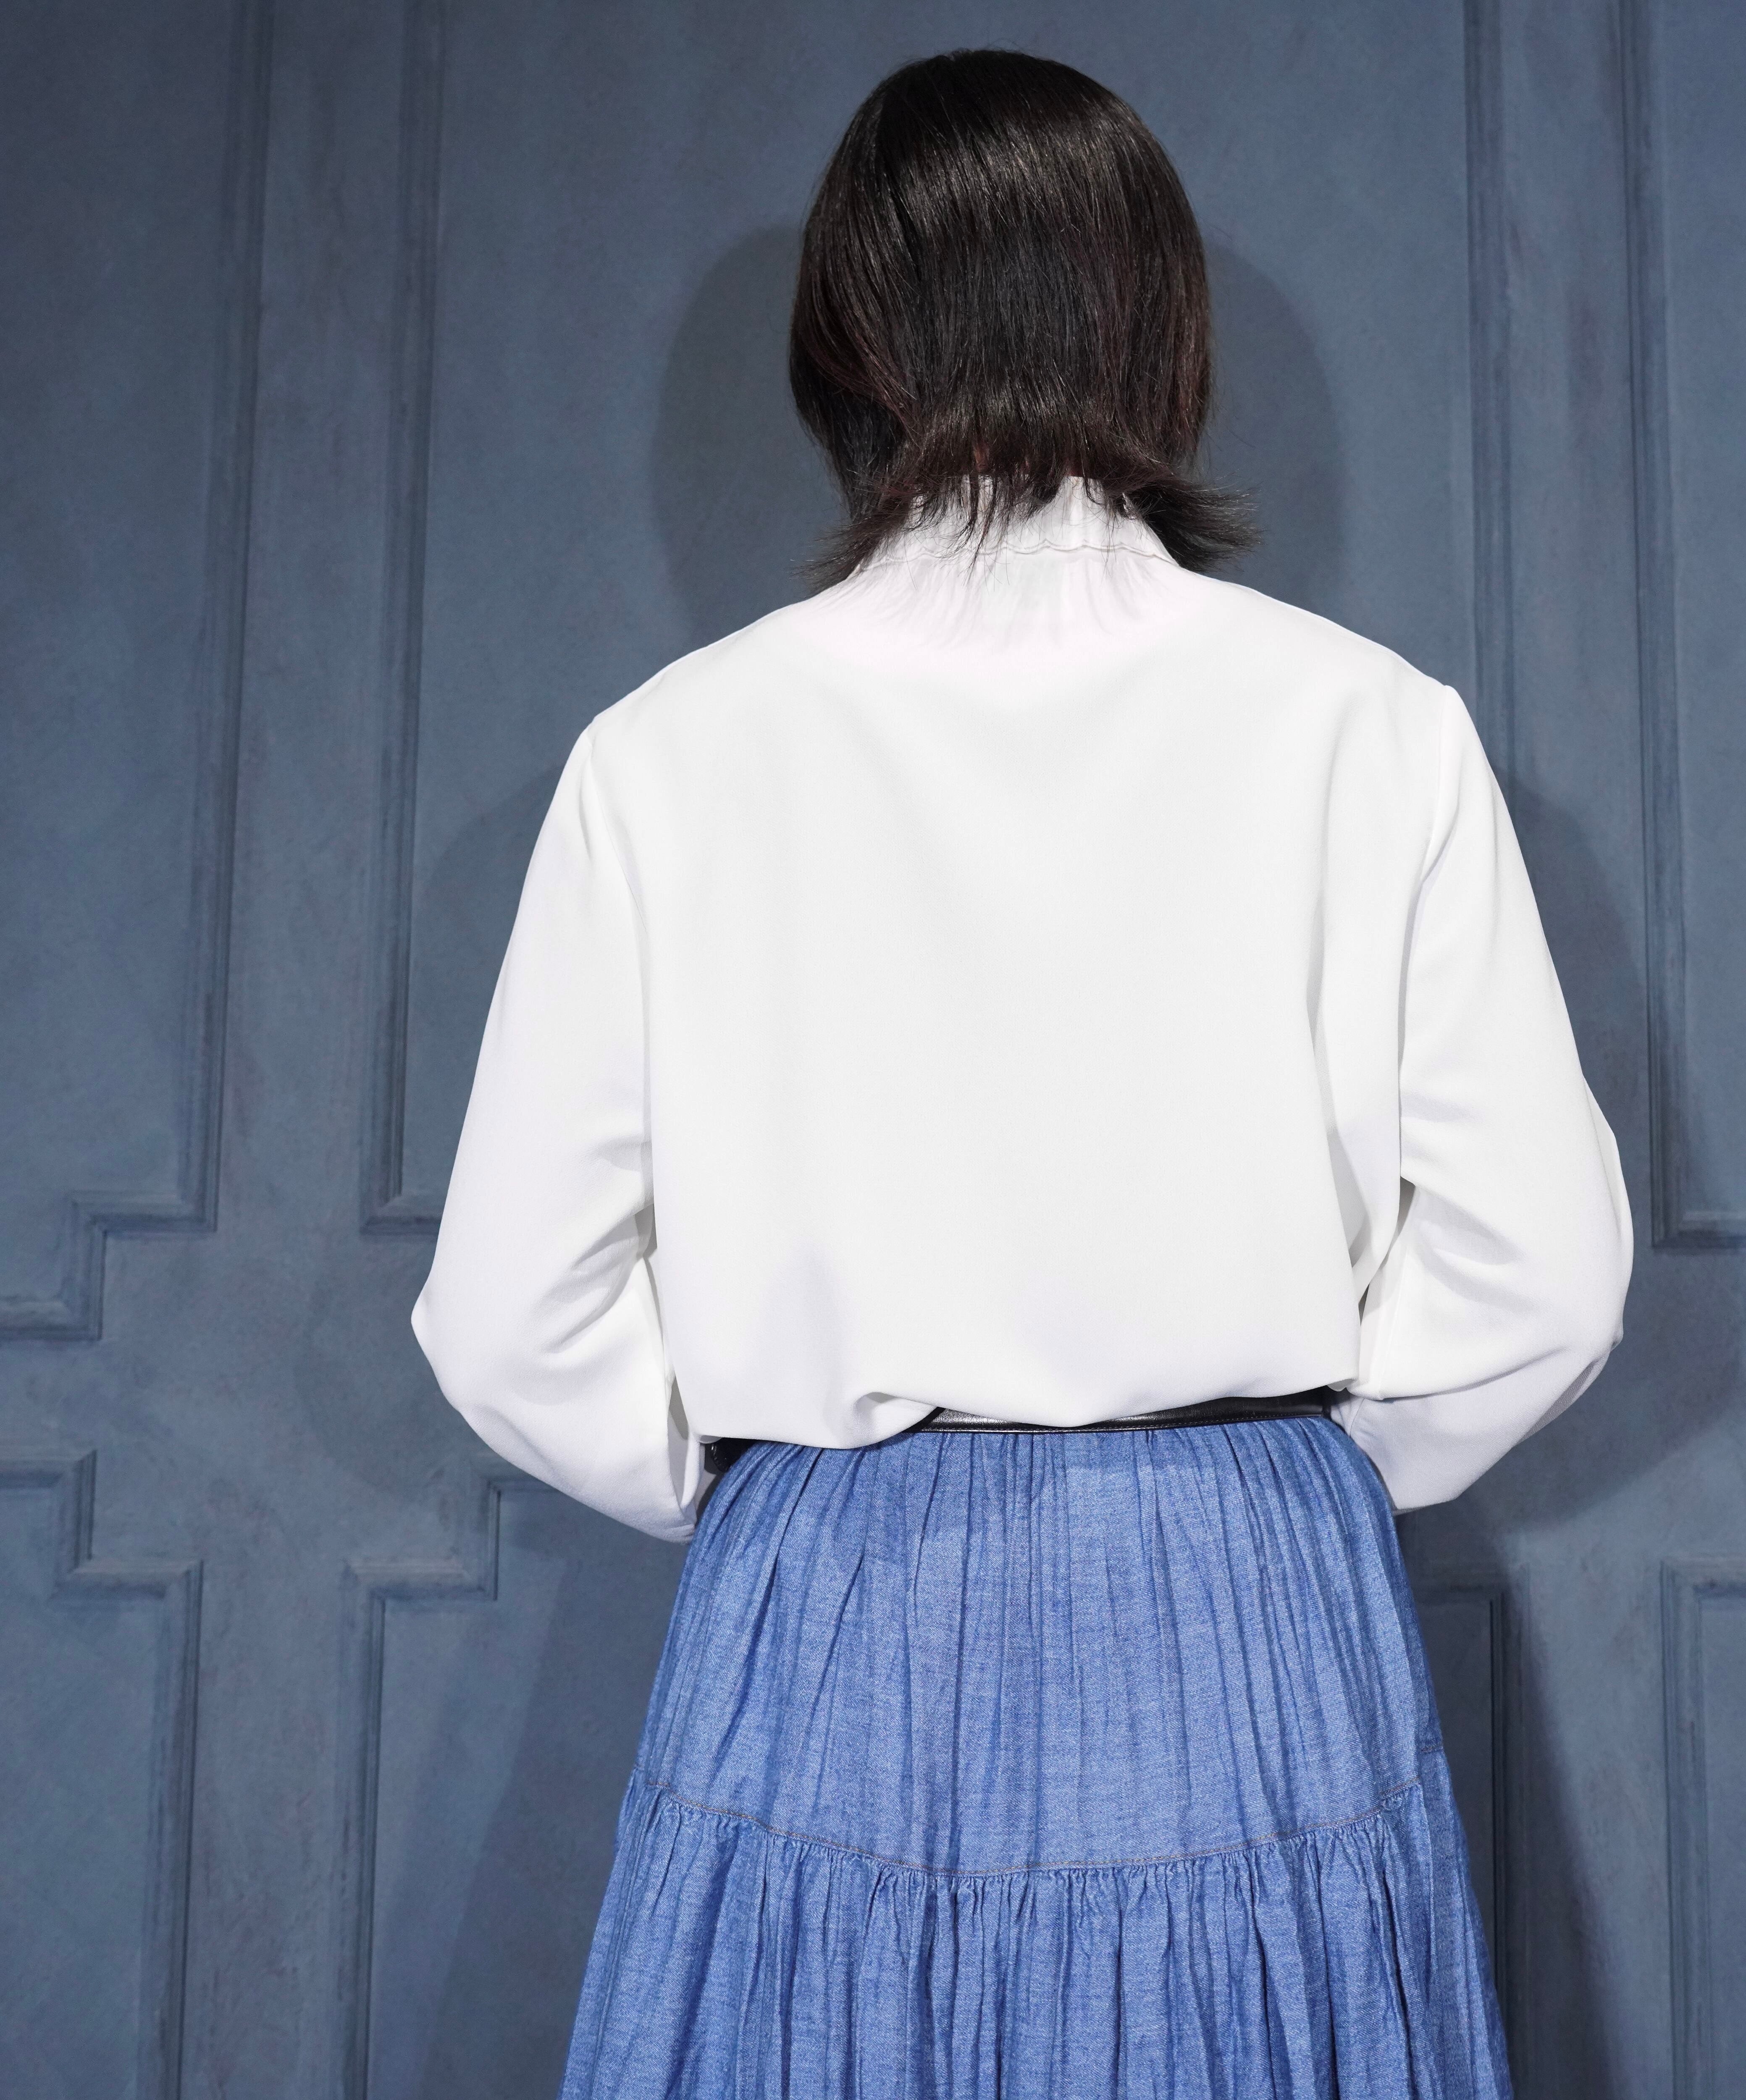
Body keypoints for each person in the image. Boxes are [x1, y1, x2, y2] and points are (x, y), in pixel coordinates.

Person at [412, 46, 1632, 2100]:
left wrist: (772, 1484)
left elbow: (509, 1319)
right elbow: (1544, 1278)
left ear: (848, 336)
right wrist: (1288, 1476)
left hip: (829, 1614)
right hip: (1247, 1614)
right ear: (1159, 325)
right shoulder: (1366, 730)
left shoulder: (672, 755)